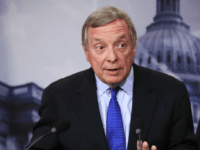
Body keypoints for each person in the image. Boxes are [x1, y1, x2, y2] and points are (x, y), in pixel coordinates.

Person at [29, 6, 197, 150]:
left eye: (121, 45)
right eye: (100, 47)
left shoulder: (172, 92)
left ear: (134, 46)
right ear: (87, 52)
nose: (112, 57)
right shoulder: (58, 96)